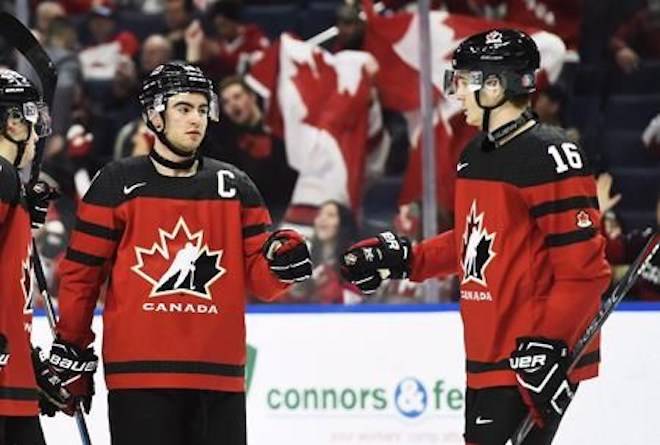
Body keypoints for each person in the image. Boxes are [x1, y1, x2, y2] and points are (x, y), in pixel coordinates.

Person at [341, 29, 611, 445]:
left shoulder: (550, 156)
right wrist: (409, 260)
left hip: (526, 359)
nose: (458, 92)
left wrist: (547, 347)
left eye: (465, 80)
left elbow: (585, 272)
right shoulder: (475, 154)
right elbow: (476, 239)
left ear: (495, 84)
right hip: (487, 350)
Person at [48, 62, 312, 445]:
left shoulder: (235, 187)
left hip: (217, 374)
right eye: (184, 109)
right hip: (139, 377)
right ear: (155, 114)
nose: (196, 120)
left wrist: (282, 265)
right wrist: (72, 347)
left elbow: (261, 283)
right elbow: (81, 276)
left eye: (203, 110)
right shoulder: (115, 183)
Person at [0, 69, 70, 443]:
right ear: (10, 122)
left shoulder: (12, 182)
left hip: (12, 376)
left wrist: (28, 360)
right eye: (30, 117)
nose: (37, 132)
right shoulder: (3, 177)